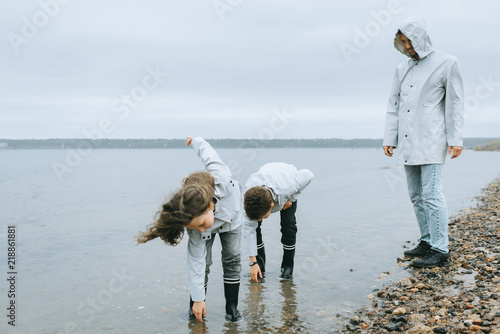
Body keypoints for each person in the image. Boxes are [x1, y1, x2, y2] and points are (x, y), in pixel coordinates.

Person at [383, 16, 464, 268]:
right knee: (416, 195)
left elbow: (455, 103)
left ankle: (441, 248)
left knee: (432, 194)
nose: (407, 47)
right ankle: (427, 240)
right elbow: (393, 105)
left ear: (420, 38)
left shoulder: (447, 63)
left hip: (432, 139)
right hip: (407, 141)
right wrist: (390, 137)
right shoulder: (401, 69)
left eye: (410, 41)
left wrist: (456, 139)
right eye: (403, 42)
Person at [136, 137, 243, 322]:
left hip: (232, 220)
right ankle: (195, 309)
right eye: (195, 228)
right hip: (211, 220)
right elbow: (196, 262)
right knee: (205, 264)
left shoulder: (222, 179)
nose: (200, 230)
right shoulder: (195, 225)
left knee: (232, 259)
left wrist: (197, 141)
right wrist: (198, 299)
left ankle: (232, 309)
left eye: (200, 225)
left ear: (209, 206)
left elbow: (210, 157)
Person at [243, 163, 314, 281]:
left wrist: (292, 198)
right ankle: (260, 266)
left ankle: (287, 267)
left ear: (272, 206)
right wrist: (252, 262)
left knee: (288, 226)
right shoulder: (247, 198)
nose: (260, 220)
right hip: (266, 181)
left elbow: (308, 175)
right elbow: (249, 232)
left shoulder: (289, 186)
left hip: (285, 182)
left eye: (263, 217)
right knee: (254, 228)